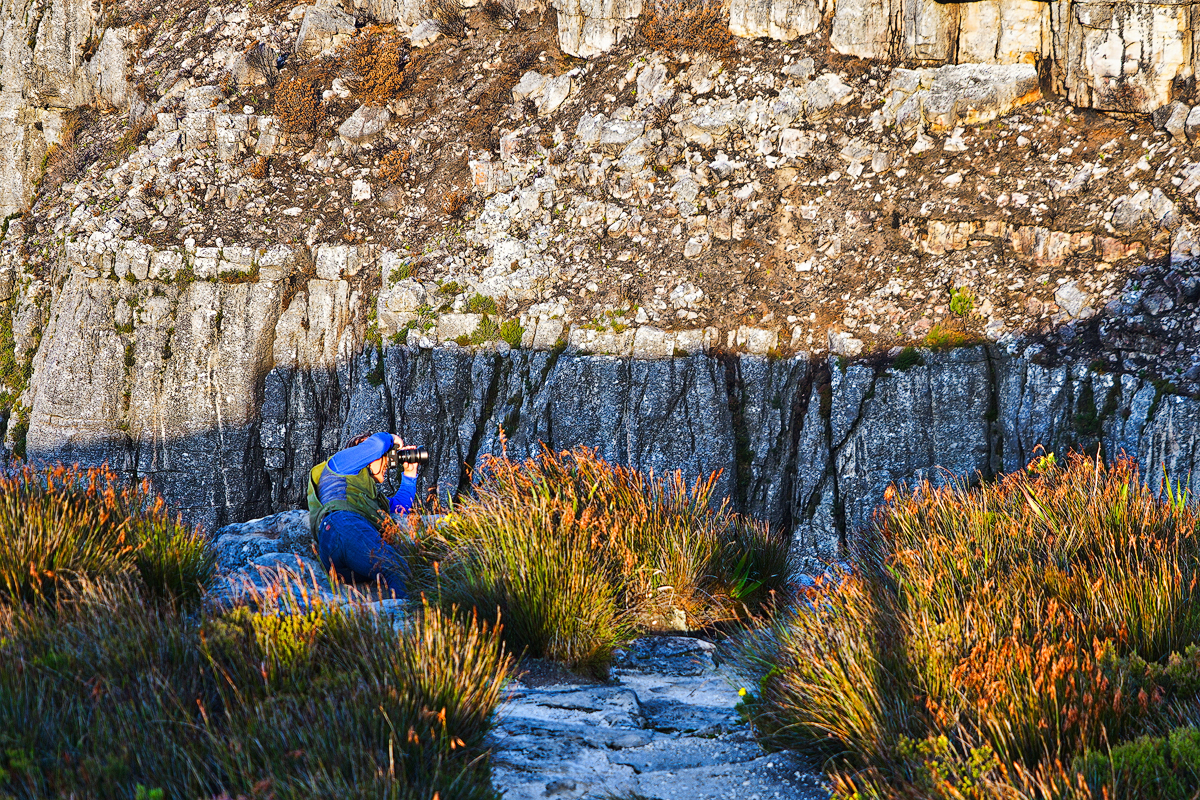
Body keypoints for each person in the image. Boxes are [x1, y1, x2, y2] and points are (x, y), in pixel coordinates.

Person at [307, 432, 419, 598]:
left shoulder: (364, 494)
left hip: (339, 554)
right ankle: (408, 619)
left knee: (401, 565)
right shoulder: (340, 464)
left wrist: (409, 475)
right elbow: (377, 445)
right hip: (342, 526)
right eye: (383, 456)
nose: (387, 460)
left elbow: (397, 510)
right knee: (396, 567)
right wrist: (393, 439)